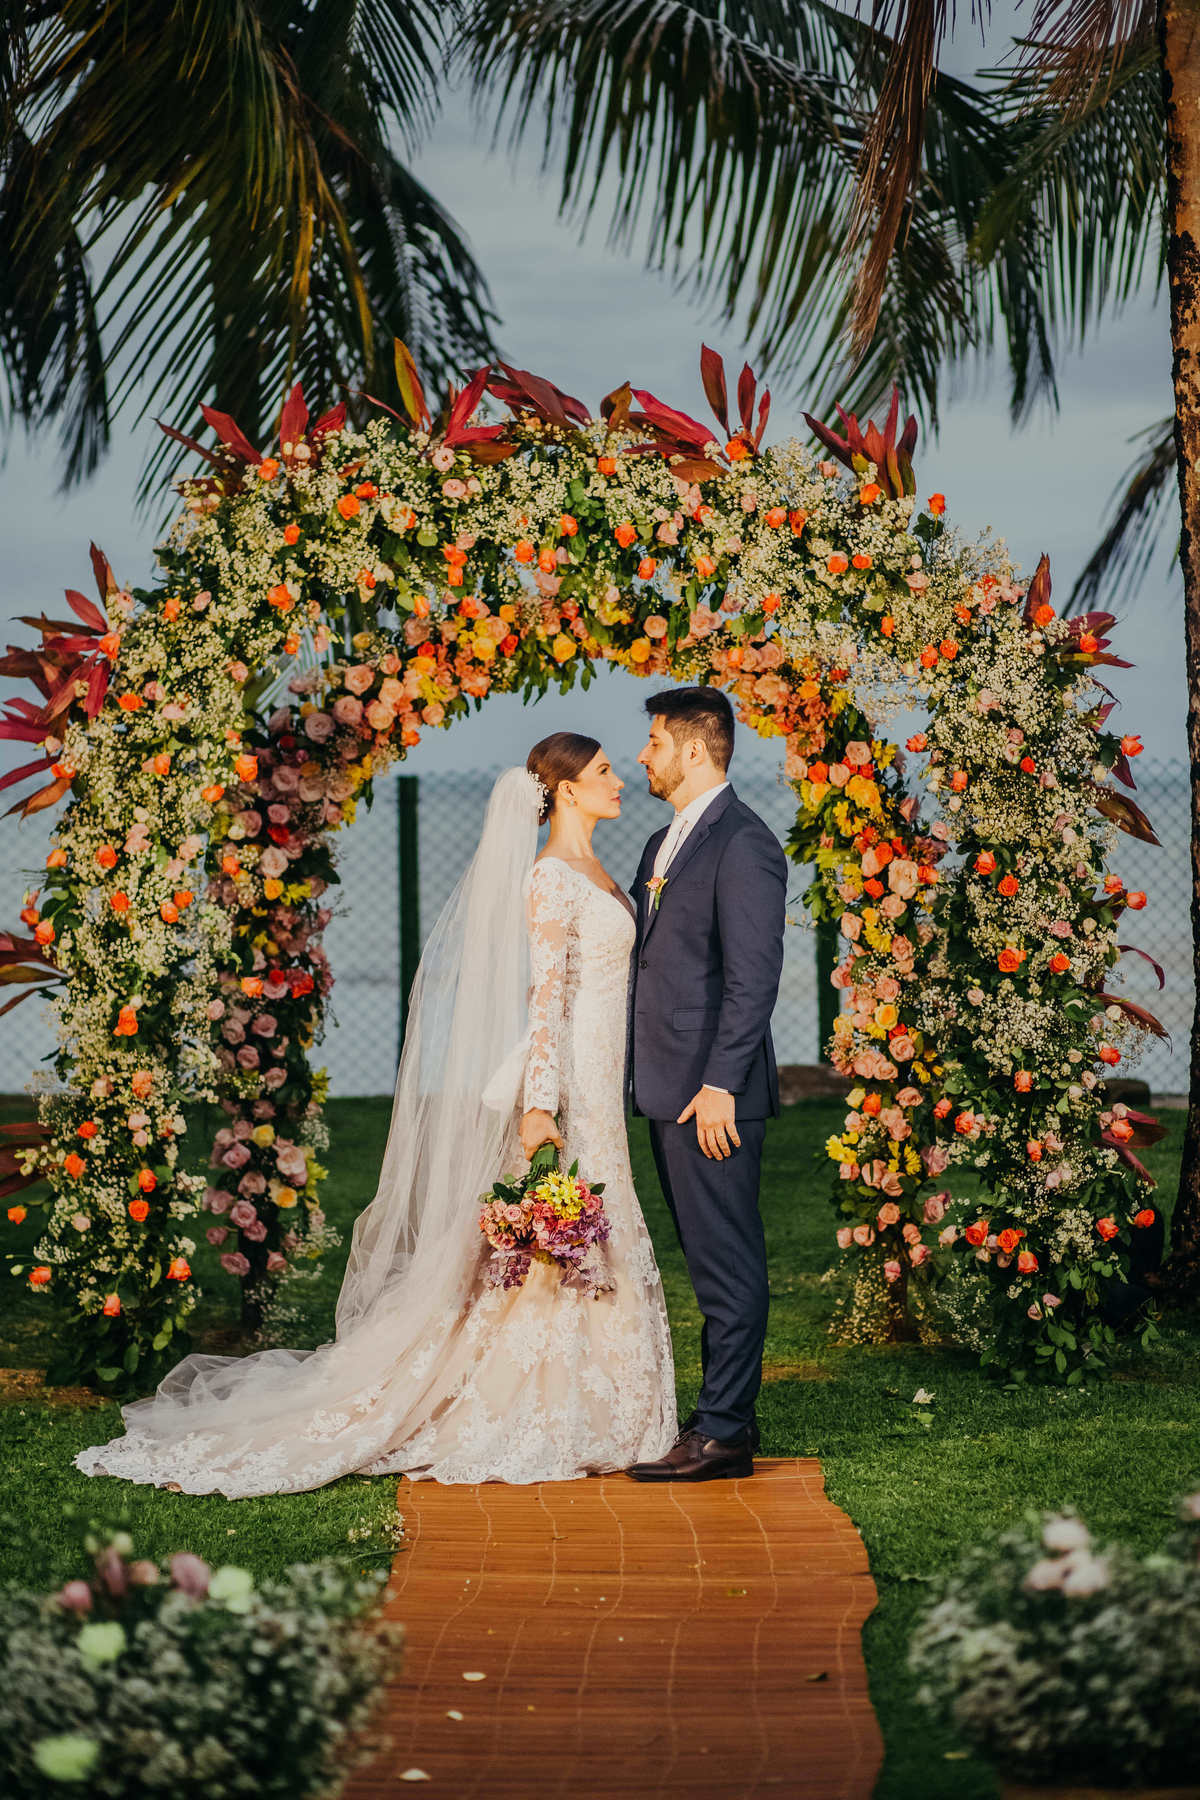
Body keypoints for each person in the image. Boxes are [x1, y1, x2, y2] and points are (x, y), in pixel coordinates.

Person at [72, 739, 676, 1497]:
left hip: (603, 1078)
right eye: (603, 773)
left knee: (589, 1228)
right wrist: (538, 1103)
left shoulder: (600, 869)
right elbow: (545, 997)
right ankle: (545, 1403)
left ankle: (594, 1396)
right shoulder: (551, 876)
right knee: (566, 1231)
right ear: (564, 791)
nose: (620, 781)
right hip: (571, 1086)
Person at [625, 687, 787, 1483]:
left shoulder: (744, 843)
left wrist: (722, 1081)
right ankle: (725, 1415)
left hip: (711, 1098)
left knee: (727, 1264)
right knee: (706, 1259)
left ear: (694, 749)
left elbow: (753, 979)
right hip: (667, 1086)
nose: (643, 756)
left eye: (655, 742)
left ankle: (722, 1436)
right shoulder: (661, 842)